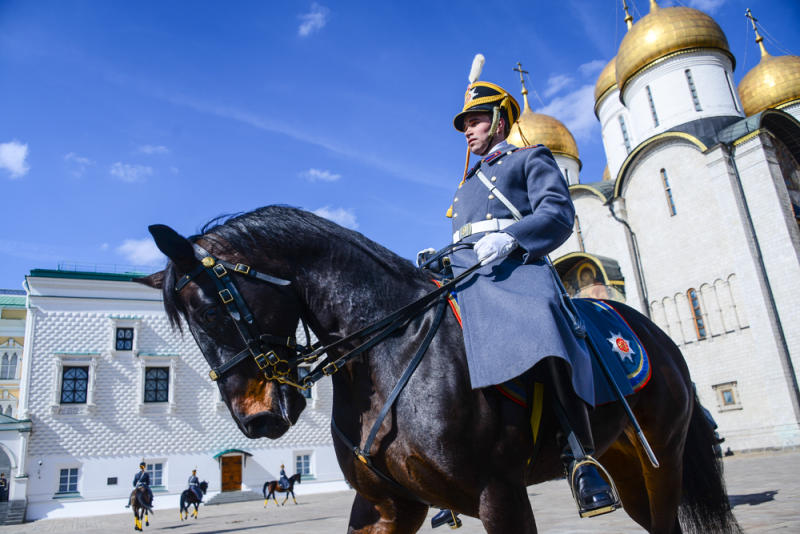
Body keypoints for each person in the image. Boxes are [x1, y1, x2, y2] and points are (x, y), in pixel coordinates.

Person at [428, 81, 618, 528]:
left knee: (542, 318)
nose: (467, 131)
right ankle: (445, 463)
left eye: (474, 120)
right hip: (463, 271)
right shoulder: (465, 186)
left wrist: (511, 237)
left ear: (498, 120)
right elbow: (463, 237)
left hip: (514, 265)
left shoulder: (530, 159)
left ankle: (580, 455)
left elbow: (557, 214)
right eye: (464, 124)